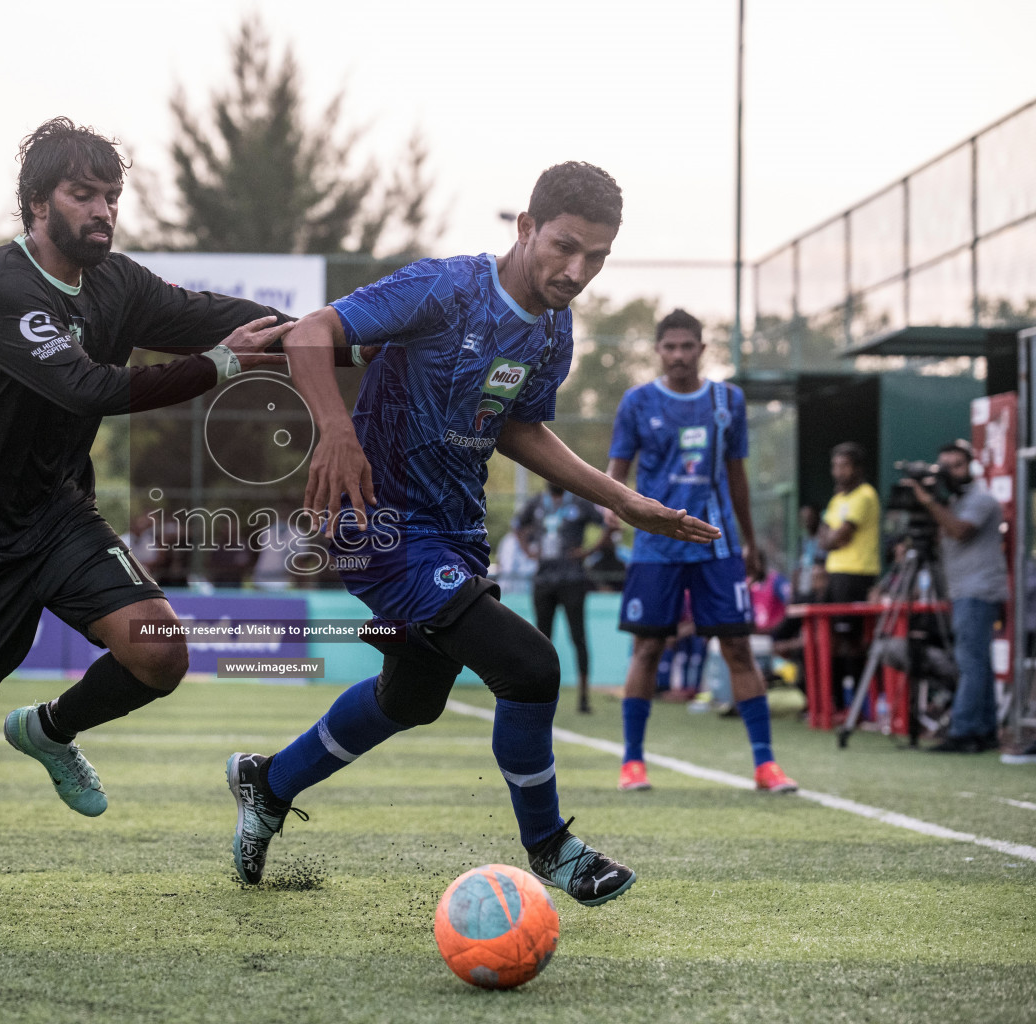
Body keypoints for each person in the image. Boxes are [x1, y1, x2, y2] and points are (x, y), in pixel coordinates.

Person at [226, 162, 721, 909]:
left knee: (413, 696)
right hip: (377, 521)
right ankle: (552, 848)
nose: (576, 270)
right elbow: (313, 335)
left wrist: (625, 501)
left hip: (455, 532)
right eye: (563, 247)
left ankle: (267, 784)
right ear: (524, 228)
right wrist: (336, 430)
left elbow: (521, 427)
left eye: (596, 257)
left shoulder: (555, 330)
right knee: (529, 666)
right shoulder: (446, 286)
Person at [0, 118, 298, 906]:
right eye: (83, 194)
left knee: (159, 652)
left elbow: (219, 315)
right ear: (35, 204)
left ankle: (51, 730)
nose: (103, 211)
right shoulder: (1, 286)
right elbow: (87, 387)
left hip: (54, 514)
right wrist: (215, 368)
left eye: (111, 196)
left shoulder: (117, 283)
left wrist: (346, 331)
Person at [607, 309, 798, 794]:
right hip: (655, 547)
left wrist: (750, 540)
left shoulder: (727, 400)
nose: (677, 355)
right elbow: (617, 469)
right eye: (668, 347)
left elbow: (736, 475)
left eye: (686, 346)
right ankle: (632, 763)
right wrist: (611, 504)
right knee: (648, 646)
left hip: (718, 545)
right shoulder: (637, 401)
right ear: (657, 350)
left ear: (701, 349)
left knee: (737, 646)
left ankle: (765, 765)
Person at [907, 440, 1009, 753]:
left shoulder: (981, 499)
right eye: (946, 466)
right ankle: (986, 730)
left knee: (970, 662)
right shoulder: (952, 502)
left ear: (971, 466)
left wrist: (929, 503)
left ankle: (963, 731)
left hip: (978, 591)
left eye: (958, 465)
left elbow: (960, 531)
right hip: (964, 590)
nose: (952, 472)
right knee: (978, 662)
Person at [519, 482, 603, 713]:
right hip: (544, 580)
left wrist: (589, 551)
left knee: (578, 637)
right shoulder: (536, 503)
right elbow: (517, 526)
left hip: (572, 579)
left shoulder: (579, 503)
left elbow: (609, 526)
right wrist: (527, 551)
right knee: (541, 640)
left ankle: (584, 698)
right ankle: (538, 695)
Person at [817, 442, 881, 712]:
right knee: (831, 640)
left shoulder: (865, 496)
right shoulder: (837, 499)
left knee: (854, 642)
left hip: (858, 575)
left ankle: (860, 704)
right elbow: (823, 539)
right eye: (835, 466)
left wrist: (831, 538)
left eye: (844, 466)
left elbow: (838, 536)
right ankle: (833, 703)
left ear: (857, 468)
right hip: (836, 574)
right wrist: (830, 538)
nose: (838, 472)